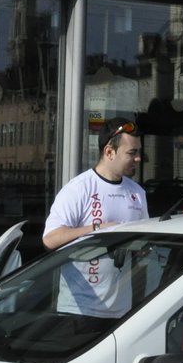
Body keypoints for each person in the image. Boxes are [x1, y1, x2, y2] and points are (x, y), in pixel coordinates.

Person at [42, 117, 148, 315]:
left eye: (139, 152)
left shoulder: (138, 193)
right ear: (109, 152)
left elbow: (141, 258)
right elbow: (50, 239)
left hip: (122, 312)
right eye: (132, 152)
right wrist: (98, 229)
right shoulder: (79, 188)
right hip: (78, 310)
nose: (138, 158)